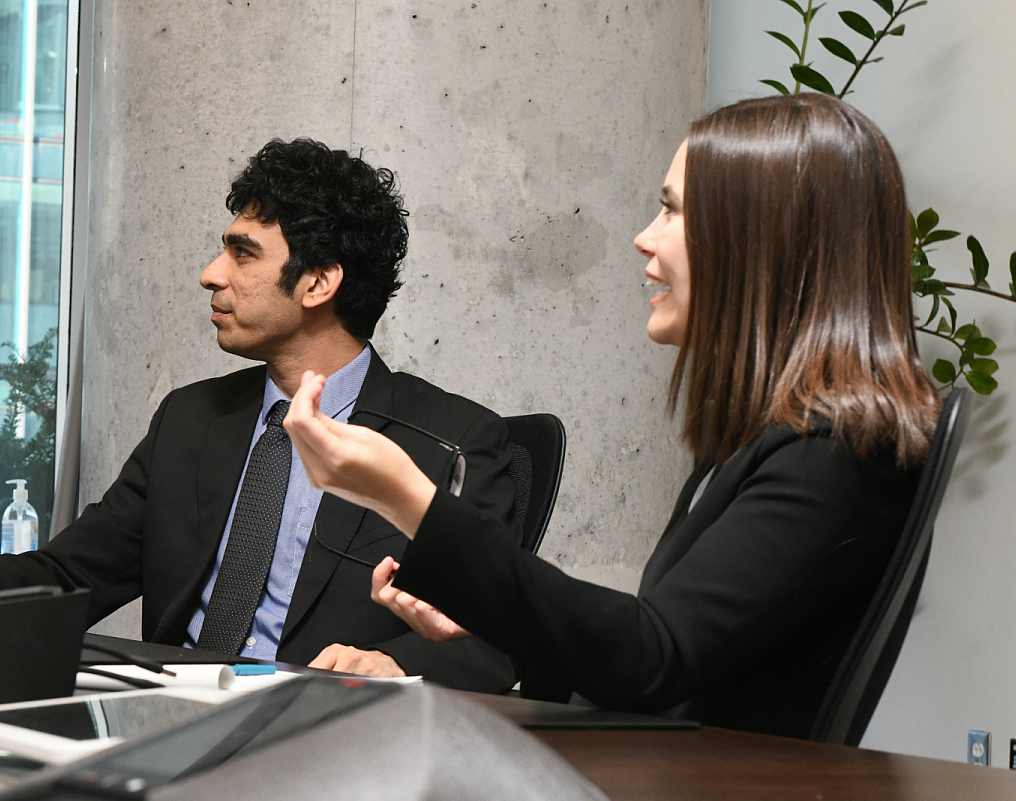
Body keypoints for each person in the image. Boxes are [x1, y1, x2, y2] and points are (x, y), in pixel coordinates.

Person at [283, 94, 941, 737]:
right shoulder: (766, 441)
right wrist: (491, 619)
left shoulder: (834, 450)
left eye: (673, 212)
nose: (642, 238)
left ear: (759, 239)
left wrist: (409, 501)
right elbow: (647, 658)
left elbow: (654, 659)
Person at [0, 138, 522, 689]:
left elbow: (501, 638)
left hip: (326, 751)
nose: (211, 273)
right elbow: (66, 577)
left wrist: (393, 667)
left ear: (317, 282)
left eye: (243, 254)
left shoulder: (454, 444)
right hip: (161, 725)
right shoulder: (192, 421)